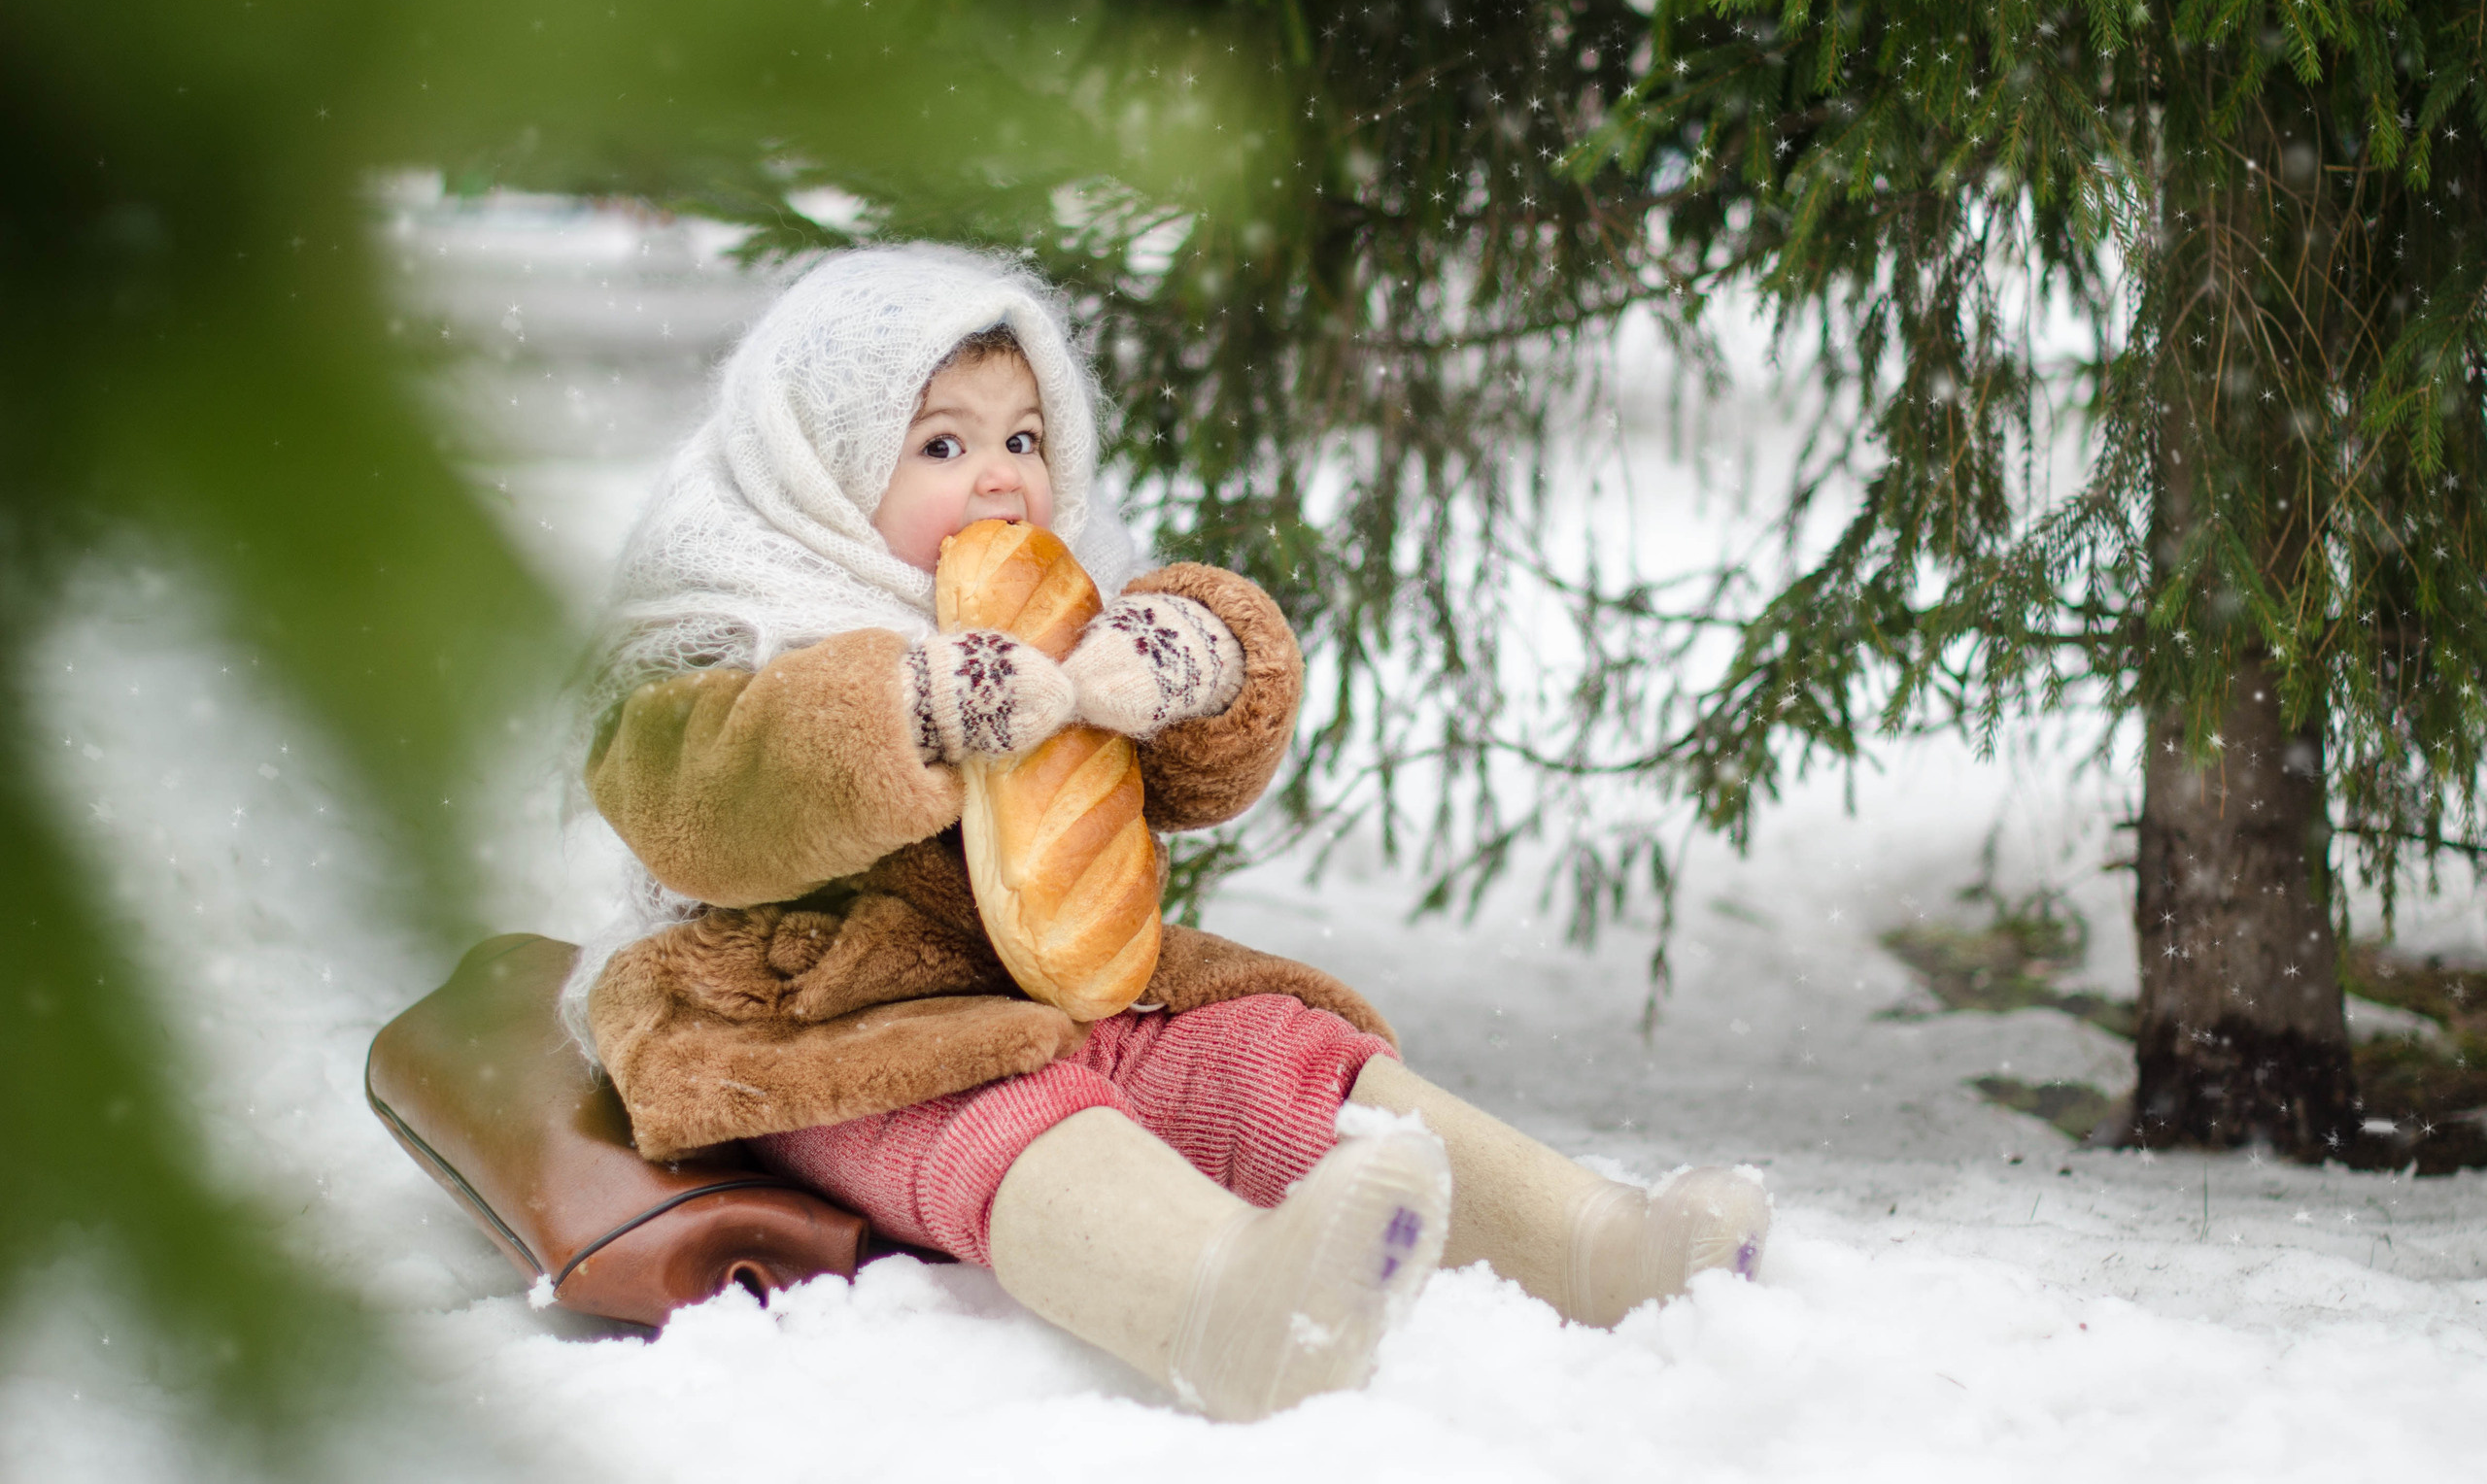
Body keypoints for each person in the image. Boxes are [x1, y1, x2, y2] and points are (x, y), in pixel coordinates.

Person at [563, 244, 1769, 1421]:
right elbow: (696, 801)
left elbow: (1194, 779)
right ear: (819, 467)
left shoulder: (1059, 603)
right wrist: (914, 709)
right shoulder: (731, 620)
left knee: (1266, 1050)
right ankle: (1217, 1302)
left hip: (1063, 984)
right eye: (941, 444)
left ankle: (1596, 1244)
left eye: (1023, 438)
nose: (1000, 480)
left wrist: (1191, 665)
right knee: (1001, 1110)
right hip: (810, 1020)